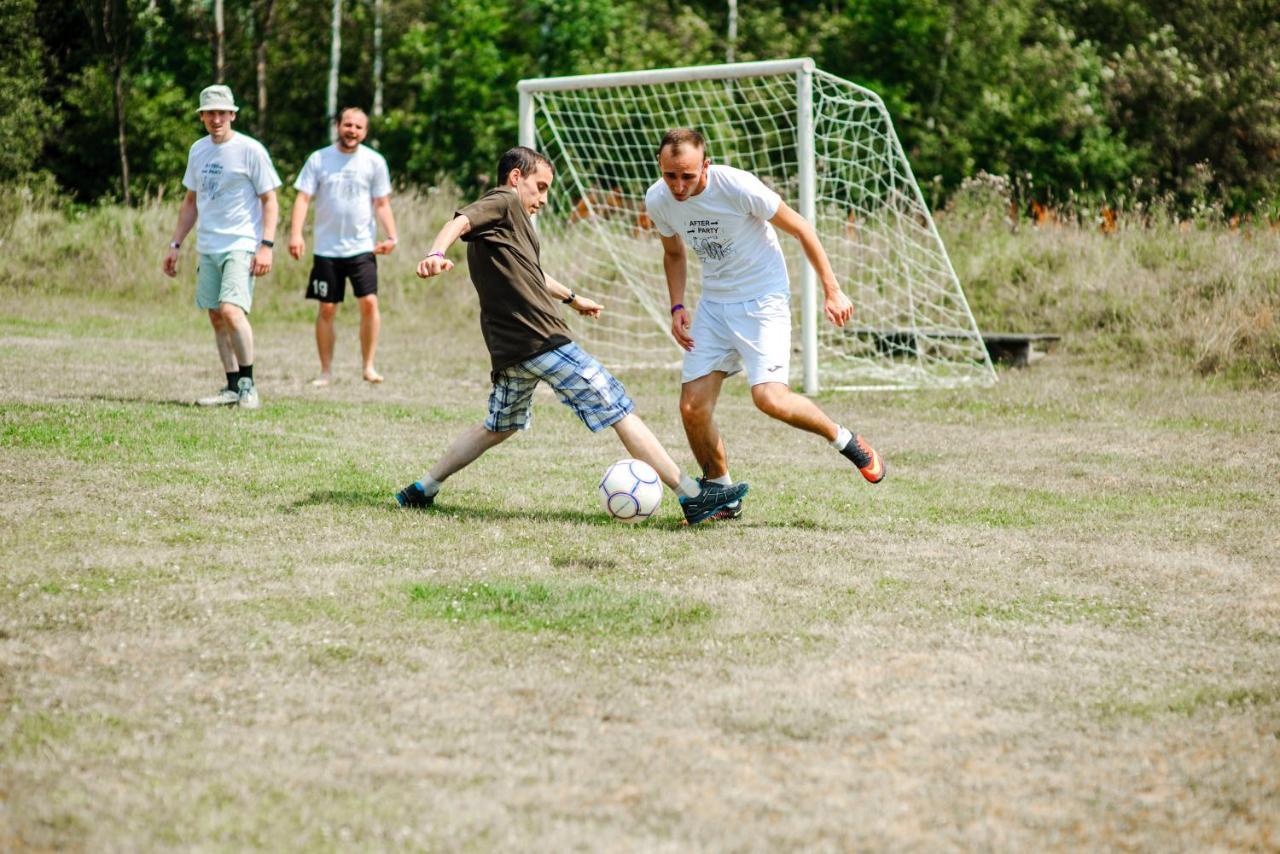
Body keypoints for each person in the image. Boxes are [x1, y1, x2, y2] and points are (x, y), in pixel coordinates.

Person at [395, 146, 748, 525]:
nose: (544, 199)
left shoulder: (509, 225)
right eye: (540, 186)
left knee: (499, 425)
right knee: (617, 406)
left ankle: (422, 488)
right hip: (542, 339)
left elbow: (532, 274)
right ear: (516, 178)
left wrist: (574, 299)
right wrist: (435, 252)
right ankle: (691, 496)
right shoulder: (502, 201)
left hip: (512, 349)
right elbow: (459, 221)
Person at [644, 128, 886, 518]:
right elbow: (673, 254)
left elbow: (801, 228)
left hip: (763, 300)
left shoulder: (738, 186)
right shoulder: (658, 199)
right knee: (692, 407)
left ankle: (844, 439)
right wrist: (676, 307)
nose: (678, 184)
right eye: (670, 175)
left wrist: (833, 289)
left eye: (687, 175)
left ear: (705, 165)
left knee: (769, 398)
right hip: (715, 305)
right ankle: (722, 492)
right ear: (660, 166)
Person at [163, 84, 281, 410]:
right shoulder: (198, 151)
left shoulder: (250, 150)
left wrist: (266, 246)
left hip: (241, 243)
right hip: (209, 244)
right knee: (216, 316)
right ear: (202, 116)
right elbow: (191, 202)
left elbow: (270, 200)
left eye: (222, 112)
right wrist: (175, 244)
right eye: (209, 113)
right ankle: (231, 386)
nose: (216, 119)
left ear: (232, 114)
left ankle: (248, 385)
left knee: (231, 310)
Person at [288, 107, 398, 385]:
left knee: (370, 303)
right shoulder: (319, 159)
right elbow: (303, 199)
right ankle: (325, 371)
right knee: (327, 308)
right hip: (326, 248)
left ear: (365, 132)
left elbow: (382, 204)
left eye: (358, 127)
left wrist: (392, 236)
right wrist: (296, 234)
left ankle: (368, 366)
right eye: (347, 124)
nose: (352, 130)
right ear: (338, 126)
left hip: (362, 247)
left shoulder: (374, 161)